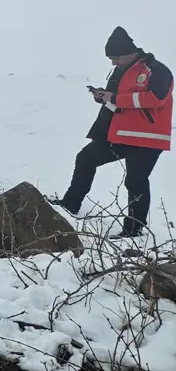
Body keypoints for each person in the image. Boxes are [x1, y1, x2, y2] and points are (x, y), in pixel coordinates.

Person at [52, 27, 172, 238]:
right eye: (111, 59)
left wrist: (114, 98)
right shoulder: (120, 71)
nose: (113, 63)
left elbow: (156, 98)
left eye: (116, 58)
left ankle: (133, 231)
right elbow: (118, 105)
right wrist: (104, 98)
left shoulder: (156, 70)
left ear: (130, 52)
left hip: (147, 138)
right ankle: (69, 206)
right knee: (86, 158)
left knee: (135, 181)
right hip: (121, 134)